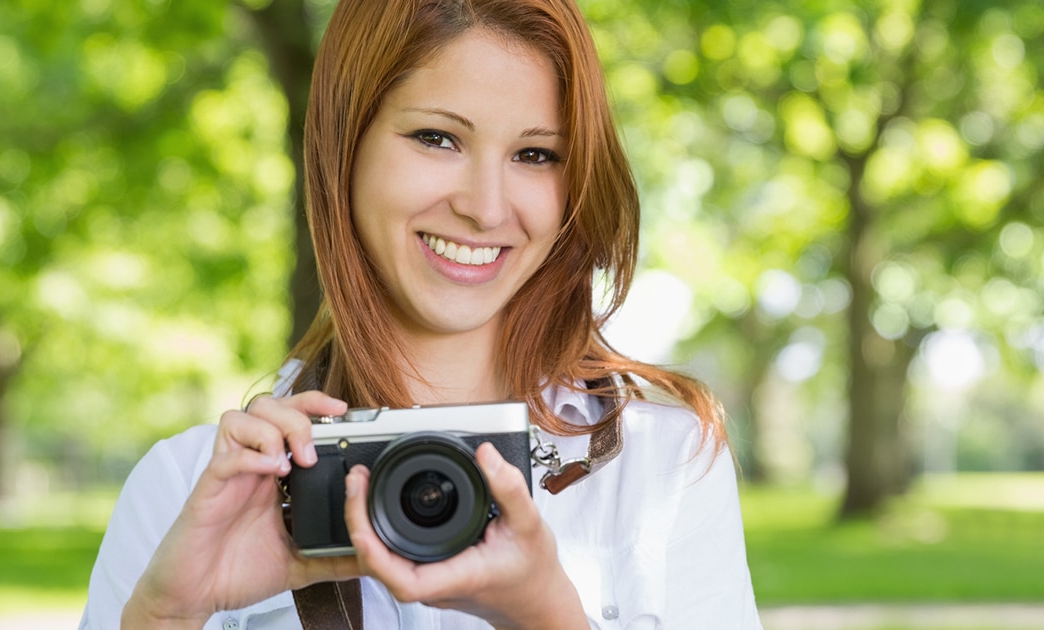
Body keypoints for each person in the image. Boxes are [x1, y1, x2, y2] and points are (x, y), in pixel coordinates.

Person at [81, 0, 762, 627]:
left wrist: (547, 618)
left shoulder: (662, 465)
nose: (486, 207)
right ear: (344, 148)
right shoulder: (190, 490)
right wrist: (168, 615)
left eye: (535, 154)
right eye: (438, 138)